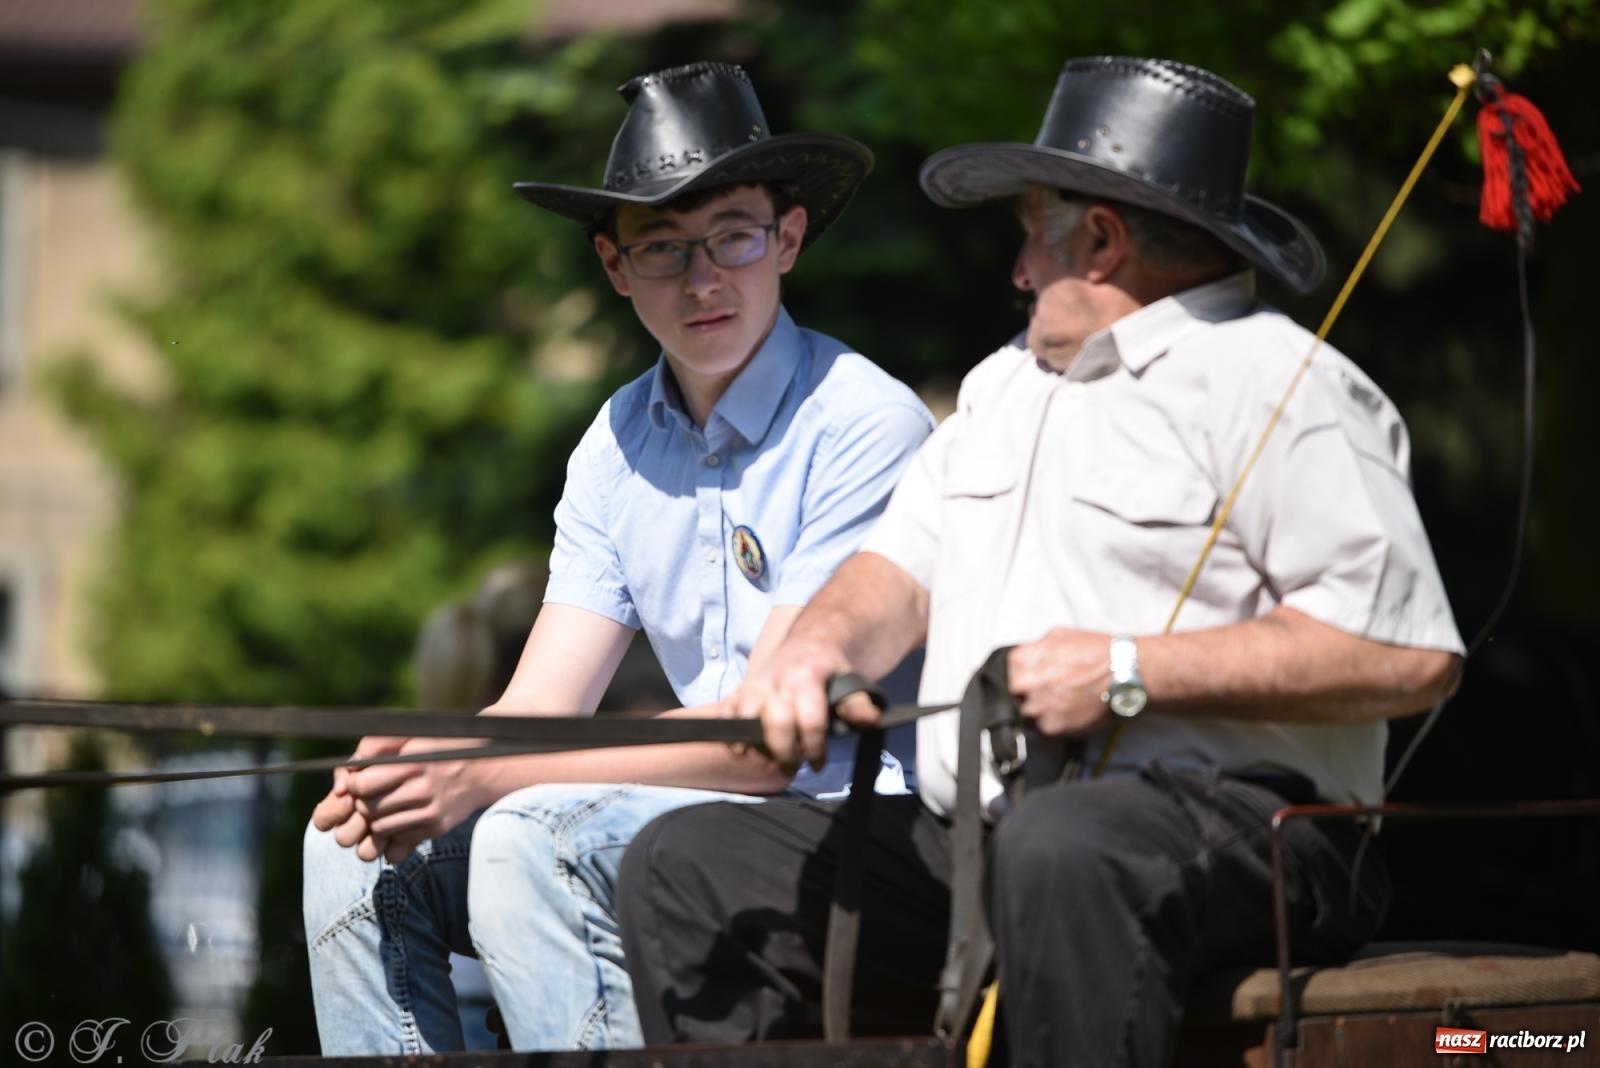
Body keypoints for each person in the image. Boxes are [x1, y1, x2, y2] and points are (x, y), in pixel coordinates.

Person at [615, 56, 1466, 1066]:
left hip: (1253, 835)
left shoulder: (1286, 383)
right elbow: (893, 574)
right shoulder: (999, 390)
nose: (1018, 269)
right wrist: (811, 654)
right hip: (983, 840)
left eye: (1031, 232)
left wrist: (1126, 673)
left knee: (1065, 848)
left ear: (1099, 242)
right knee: (686, 861)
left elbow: (1405, 655)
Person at [301, 61, 933, 1055]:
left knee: (530, 836)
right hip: (684, 811)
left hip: (856, 836)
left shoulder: (866, 424)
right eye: (663, 248)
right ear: (612, 265)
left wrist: (487, 779)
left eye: (734, 235)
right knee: (348, 844)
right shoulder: (613, 441)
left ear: (790, 238)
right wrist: (431, 757)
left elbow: (762, 746)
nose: (703, 278)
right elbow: (537, 707)